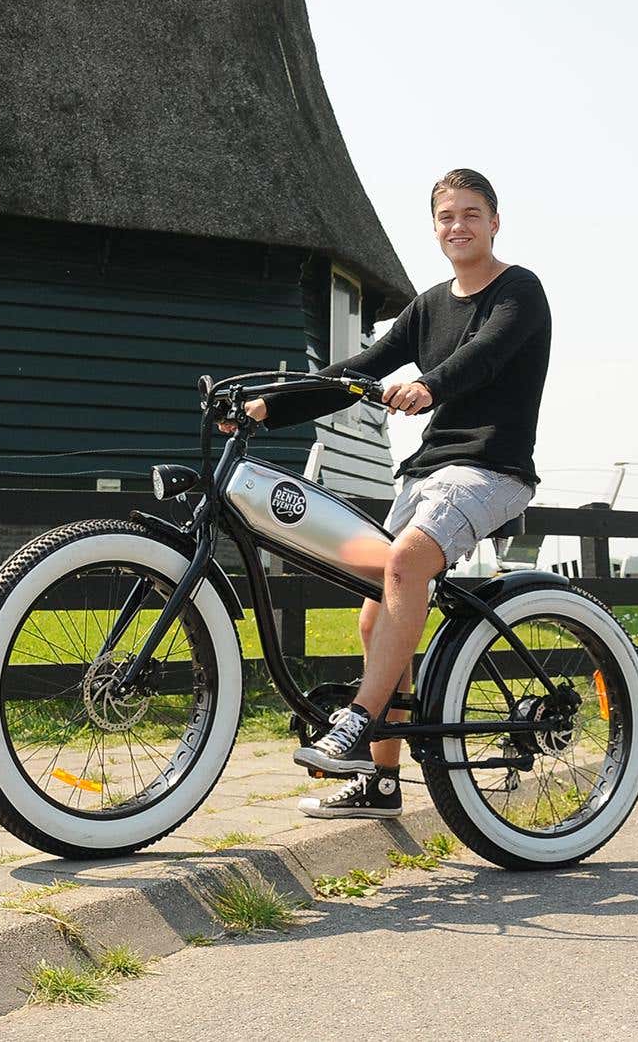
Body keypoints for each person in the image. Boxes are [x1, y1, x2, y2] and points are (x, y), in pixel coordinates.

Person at [235, 168, 552, 819]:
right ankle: (380, 783)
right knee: (375, 616)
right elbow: (358, 371)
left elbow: (484, 356)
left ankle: (357, 718)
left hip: (491, 468)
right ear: (434, 229)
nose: (458, 226)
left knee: (404, 563)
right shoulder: (429, 305)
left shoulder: (520, 290)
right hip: (427, 470)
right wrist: (271, 405)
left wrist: (430, 385)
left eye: (471, 213)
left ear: (495, 222)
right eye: (446, 216)